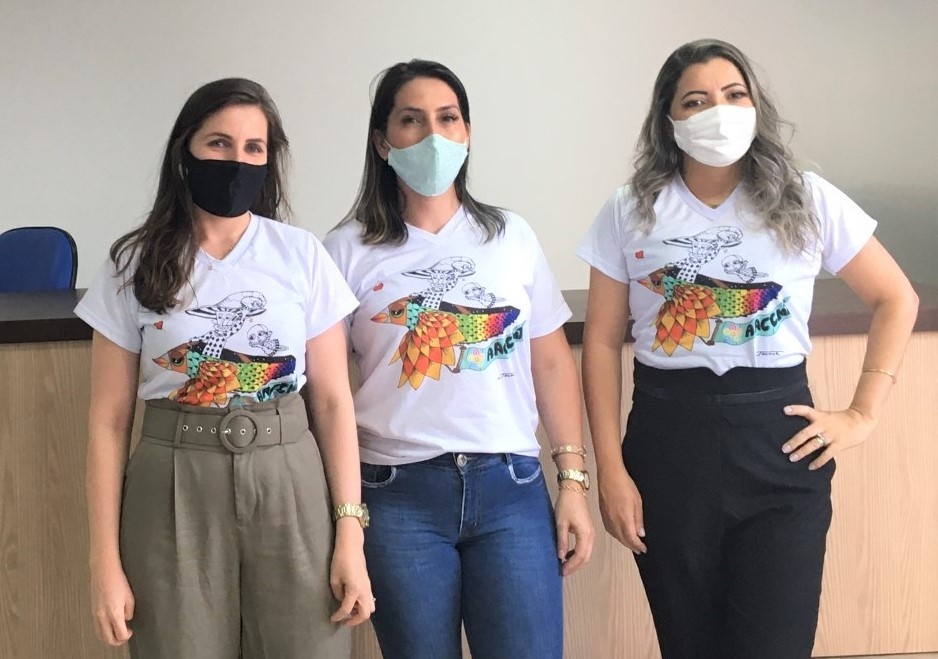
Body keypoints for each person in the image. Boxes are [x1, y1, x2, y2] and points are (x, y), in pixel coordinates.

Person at [577, 39, 919, 659]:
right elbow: (600, 342)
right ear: (668, 118)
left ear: (756, 107)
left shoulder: (805, 196)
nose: (718, 111)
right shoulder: (630, 209)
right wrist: (611, 471)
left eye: (734, 96)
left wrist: (862, 414)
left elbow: (896, 297)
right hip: (668, 443)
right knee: (690, 644)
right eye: (696, 100)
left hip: (779, 443)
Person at [75, 78, 373, 659]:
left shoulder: (300, 254)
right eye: (218, 143)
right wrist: (103, 562)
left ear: (269, 160)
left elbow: (334, 403)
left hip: (291, 481)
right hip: (173, 485)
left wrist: (350, 534)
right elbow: (108, 422)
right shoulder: (133, 262)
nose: (236, 161)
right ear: (184, 151)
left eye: (253, 148)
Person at [323, 59, 594, 659]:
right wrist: (346, 518)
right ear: (382, 141)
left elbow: (551, 363)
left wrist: (573, 481)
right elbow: (327, 394)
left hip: (511, 489)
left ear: (467, 133)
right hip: (397, 495)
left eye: (447, 119)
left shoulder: (510, 236)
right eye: (411, 121)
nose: (433, 135)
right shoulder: (345, 250)